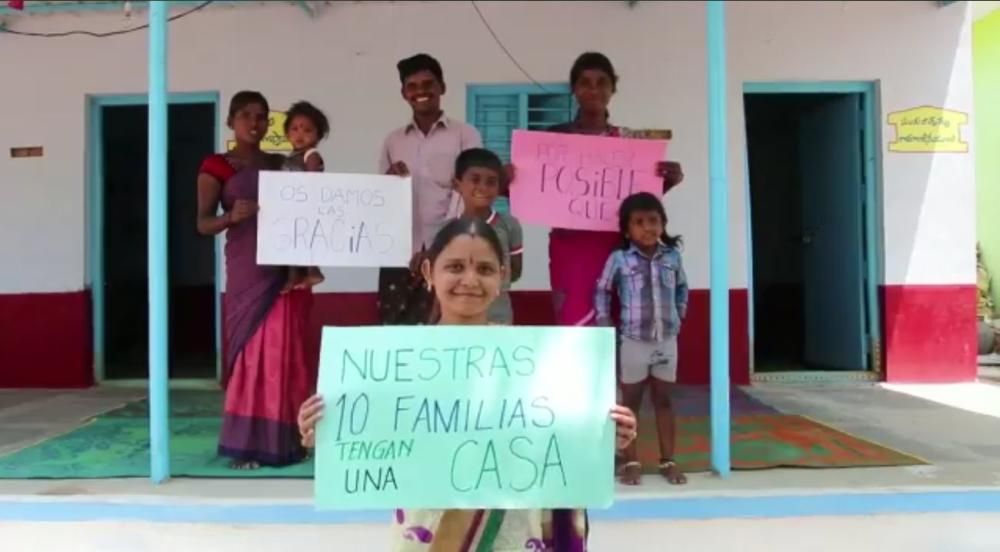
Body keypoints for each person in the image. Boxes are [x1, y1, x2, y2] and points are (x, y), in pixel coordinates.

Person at [297, 218, 639, 551]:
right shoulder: (395, 361)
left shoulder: (536, 360)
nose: (470, 280)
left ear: (503, 278)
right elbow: (370, 432)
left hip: (514, 531)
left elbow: (562, 439)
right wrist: (324, 431)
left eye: (485, 269)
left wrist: (606, 433)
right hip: (430, 530)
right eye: (456, 267)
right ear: (430, 273)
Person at [196, 91, 314, 470]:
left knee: (283, 352)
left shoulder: (281, 164)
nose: (254, 123)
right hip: (248, 270)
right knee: (251, 354)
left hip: (283, 271)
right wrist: (230, 217)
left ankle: (290, 441)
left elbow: (313, 198)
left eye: (262, 116)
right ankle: (246, 445)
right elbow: (201, 223)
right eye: (246, 115)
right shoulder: (217, 165)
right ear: (231, 120)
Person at [529, 52, 685, 328]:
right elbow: (529, 190)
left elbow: (640, 201)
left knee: (621, 327)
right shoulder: (553, 140)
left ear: (613, 88)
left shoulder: (630, 144)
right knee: (577, 334)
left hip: (619, 249)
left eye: (602, 82)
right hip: (571, 253)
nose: (593, 89)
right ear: (574, 89)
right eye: (585, 82)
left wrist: (666, 182)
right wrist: (511, 179)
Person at [378, 53, 484, 325]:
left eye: (428, 84)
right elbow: (381, 198)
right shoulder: (393, 141)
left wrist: (438, 246)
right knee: (395, 332)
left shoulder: (465, 134)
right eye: (412, 86)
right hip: (400, 256)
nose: (420, 92)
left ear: (442, 87)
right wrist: (388, 181)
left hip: (452, 250)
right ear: (404, 93)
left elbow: (469, 192)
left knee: (446, 332)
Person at [595, 192, 689, 486]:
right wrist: (604, 322)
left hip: (666, 340)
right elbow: (601, 290)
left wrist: (679, 315)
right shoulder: (619, 259)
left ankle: (668, 460)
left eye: (653, 221)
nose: (647, 228)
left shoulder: (672, 257)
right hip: (633, 341)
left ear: (663, 224)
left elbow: (682, 289)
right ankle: (631, 461)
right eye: (639, 222)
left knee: (664, 400)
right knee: (630, 405)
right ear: (626, 229)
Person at [453, 148, 523, 324]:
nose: (483, 188)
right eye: (475, 180)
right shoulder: (448, 230)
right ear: (457, 185)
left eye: (491, 182)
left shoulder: (510, 225)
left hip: (498, 316)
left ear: (499, 187)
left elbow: (516, 272)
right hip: (457, 317)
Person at [282, 100, 330, 290]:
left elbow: (312, 180)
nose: (299, 134)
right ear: (286, 133)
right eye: (294, 129)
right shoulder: (291, 156)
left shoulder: (311, 154)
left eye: (307, 130)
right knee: (293, 243)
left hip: (306, 206)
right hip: (292, 207)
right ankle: (293, 277)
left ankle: (313, 272)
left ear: (318, 136)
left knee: (304, 241)